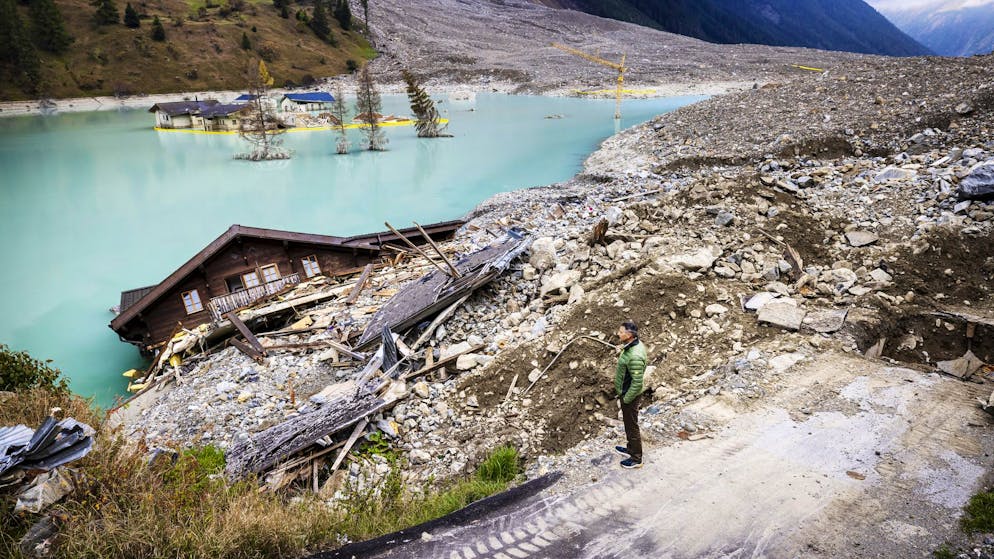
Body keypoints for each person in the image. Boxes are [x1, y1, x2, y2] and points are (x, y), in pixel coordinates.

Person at [614, 320, 647, 469]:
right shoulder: (631, 346)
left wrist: (626, 399)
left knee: (632, 426)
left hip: (630, 395)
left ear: (630, 335)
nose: (618, 334)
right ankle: (630, 448)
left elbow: (637, 383)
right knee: (628, 424)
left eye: (621, 332)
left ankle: (636, 458)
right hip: (626, 391)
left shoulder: (635, 356)